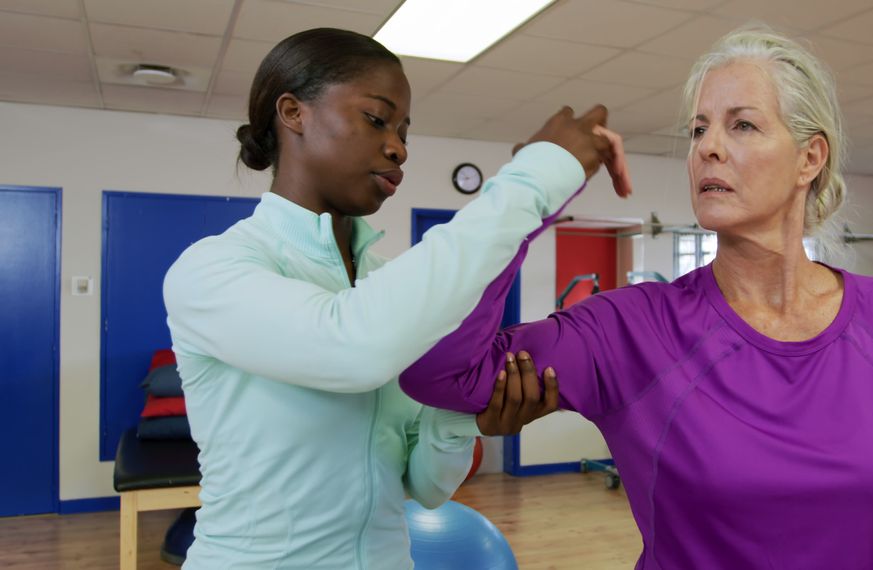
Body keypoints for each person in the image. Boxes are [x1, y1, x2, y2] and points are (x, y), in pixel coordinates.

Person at [400, 26, 873, 569]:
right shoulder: (632, 329)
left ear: (810, 158)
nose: (708, 148)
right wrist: (528, 191)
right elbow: (440, 372)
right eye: (699, 129)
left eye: (742, 126)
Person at [163, 28, 630, 569]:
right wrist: (534, 180)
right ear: (293, 112)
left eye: (405, 131)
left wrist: (463, 421)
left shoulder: (384, 286)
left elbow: (425, 487)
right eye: (377, 119)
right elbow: (350, 347)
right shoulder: (212, 269)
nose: (398, 147)